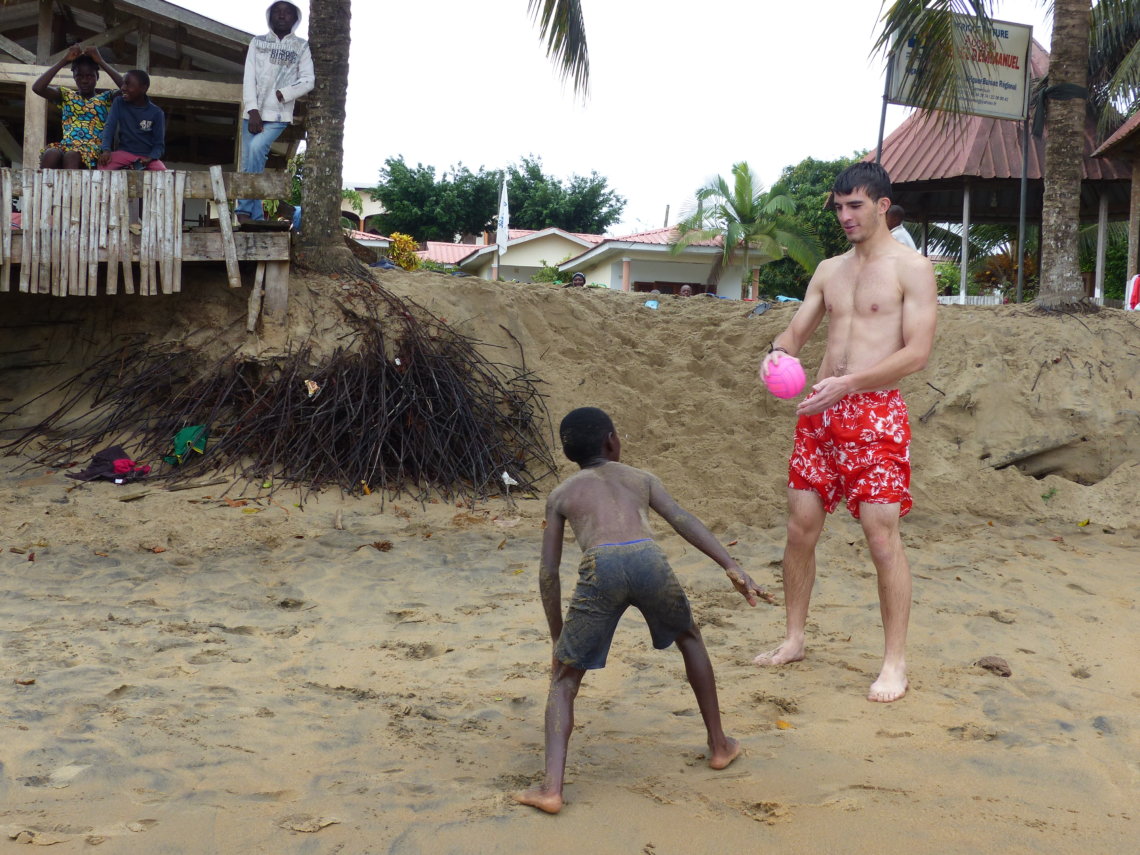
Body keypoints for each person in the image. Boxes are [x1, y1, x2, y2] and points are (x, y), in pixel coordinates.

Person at [514, 407, 771, 814]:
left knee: (564, 680)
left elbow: (548, 573)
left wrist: (556, 636)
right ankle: (719, 745)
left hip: (601, 567)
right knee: (689, 639)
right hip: (648, 559)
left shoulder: (561, 494)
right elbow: (683, 519)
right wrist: (731, 565)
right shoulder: (641, 478)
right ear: (612, 442)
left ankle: (551, 788)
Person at [754, 162, 936, 703]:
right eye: (838, 206)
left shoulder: (912, 269)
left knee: (881, 536)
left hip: (874, 412)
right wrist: (778, 354)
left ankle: (894, 663)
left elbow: (916, 353)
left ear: (883, 206)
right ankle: (793, 639)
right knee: (800, 527)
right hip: (820, 414)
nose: (844, 216)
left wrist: (851, 383)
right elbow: (797, 329)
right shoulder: (830, 270)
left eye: (854, 205)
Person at [236, 1, 314, 223]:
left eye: (287, 12)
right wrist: (252, 110)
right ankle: (257, 215)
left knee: (257, 148)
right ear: (270, 16)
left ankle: (243, 209)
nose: (282, 16)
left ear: (294, 18)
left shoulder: (301, 46)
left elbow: (309, 80)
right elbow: (248, 77)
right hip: (252, 113)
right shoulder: (258, 42)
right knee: (250, 161)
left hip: (279, 114)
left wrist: (286, 93)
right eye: (277, 12)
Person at [33, 45, 123, 169]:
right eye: (79, 76)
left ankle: (72, 188)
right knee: (51, 153)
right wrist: (64, 61)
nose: (84, 81)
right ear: (74, 77)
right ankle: (43, 188)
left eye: (90, 76)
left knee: (71, 156)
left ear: (97, 76)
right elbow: (37, 88)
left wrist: (101, 62)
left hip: (93, 149)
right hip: (67, 145)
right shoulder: (65, 95)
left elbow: (128, 89)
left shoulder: (107, 98)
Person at [97, 70, 166, 171]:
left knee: (163, 173)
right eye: (124, 83)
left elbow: (159, 144)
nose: (123, 88)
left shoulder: (157, 113)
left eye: (128, 84)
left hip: (147, 157)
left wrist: (150, 158)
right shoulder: (119, 102)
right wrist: (106, 150)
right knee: (103, 166)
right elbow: (109, 127)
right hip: (124, 153)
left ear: (143, 88)